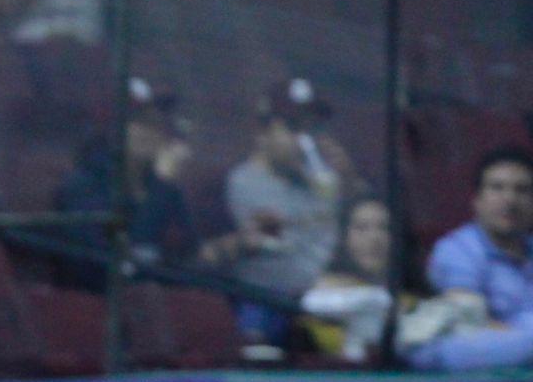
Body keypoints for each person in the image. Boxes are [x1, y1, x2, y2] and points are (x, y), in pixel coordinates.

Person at [202, 79, 349, 343]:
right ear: (263, 132)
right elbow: (278, 255)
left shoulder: (321, 181)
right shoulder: (244, 182)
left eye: (312, 129)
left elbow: (333, 239)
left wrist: (351, 186)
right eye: (294, 128)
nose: (305, 140)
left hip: (326, 296)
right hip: (267, 301)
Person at [54, 78, 197, 290]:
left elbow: (191, 251)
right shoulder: (84, 187)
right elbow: (120, 267)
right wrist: (162, 185)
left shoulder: (162, 186)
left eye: (160, 122)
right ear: (114, 130)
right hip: (101, 309)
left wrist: (230, 247)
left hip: (163, 303)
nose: (156, 131)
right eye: (143, 122)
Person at [407, 148, 533, 371]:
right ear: (477, 200)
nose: (510, 199)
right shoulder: (457, 250)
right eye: (497, 188)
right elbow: (468, 324)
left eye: (521, 190)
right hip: (466, 355)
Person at [300, 197, 396, 362]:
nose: (374, 238)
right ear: (343, 236)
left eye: (384, 228)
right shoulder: (324, 294)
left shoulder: (412, 295)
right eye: (361, 228)